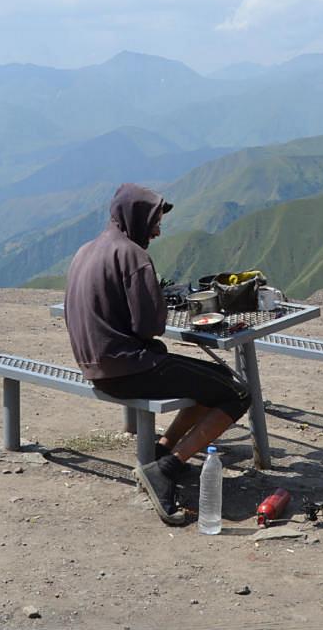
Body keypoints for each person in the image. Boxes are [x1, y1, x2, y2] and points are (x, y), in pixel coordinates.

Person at [64, 182, 252, 526]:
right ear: (135, 217)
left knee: (209, 382)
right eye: (154, 221)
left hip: (95, 365)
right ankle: (166, 469)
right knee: (237, 393)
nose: (157, 230)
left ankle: (161, 451)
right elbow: (149, 325)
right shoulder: (133, 256)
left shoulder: (85, 251)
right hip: (128, 369)